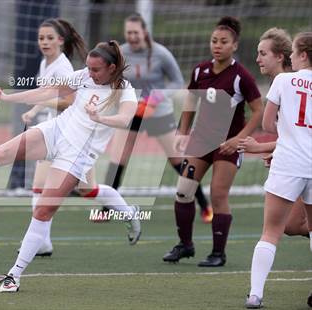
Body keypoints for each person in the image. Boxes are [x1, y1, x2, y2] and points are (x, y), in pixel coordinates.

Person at [0, 40, 141, 292]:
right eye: (88, 67)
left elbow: (125, 118)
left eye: (96, 69)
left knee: (44, 211)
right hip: (55, 131)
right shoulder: (84, 75)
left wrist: (100, 117)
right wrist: (9, 97)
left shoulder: (125, 90)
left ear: (111, 67)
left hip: (77, 156)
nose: (90, 73)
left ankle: (14, 275)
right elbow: (46, 92)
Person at [20, 18, 142, 257]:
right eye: (41, 37)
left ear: (60, 41)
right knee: (84, 190)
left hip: (73, 137)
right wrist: (34, 109)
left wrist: (38, 104)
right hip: (56, 132)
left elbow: (68, 101)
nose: (44, 42)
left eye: (49, 38)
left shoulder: (64, 67)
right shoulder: (47, 64)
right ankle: (43, 241)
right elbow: (48, 95)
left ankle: (43, 241)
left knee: (48, 187)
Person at [162, 16, 263, 267]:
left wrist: (239, 139)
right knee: (184, 191)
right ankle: (185, 245)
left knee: (218, 195)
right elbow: (190, 100)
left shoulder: (241, 77)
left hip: (227, 145)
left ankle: (218, 253)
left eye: (224, 42)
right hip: (201, 141)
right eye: (214, 41)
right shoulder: (200, 70)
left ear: (235, 46)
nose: (217, 45)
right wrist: (182, 131)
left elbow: (258, 111)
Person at [100, 13, 213, 224]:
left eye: (136, 32)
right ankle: (106, 210)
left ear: (144, 32)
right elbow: (111, 78)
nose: (132, 36)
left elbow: (177, 81)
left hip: (159, 113)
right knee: (118, 159)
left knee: (178, 160)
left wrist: (154, 98)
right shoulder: (121, 53)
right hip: (132, 112)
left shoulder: (161, 53)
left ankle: (204, 205)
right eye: (128, 33)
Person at [245, 31, 312, 309]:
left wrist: (285, 133)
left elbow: (269, 124)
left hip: (288, 163)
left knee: (271, 231)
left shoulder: (284, 80)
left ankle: (255, 295)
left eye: (294, 53)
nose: (292, 58)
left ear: (303, 55)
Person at [238, 28, 311, 241]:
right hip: (298, 159)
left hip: (303, 162)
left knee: (286, 226)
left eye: (263, 53)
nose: (257, 59)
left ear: (280, 56)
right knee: (290, 225)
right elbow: (296, 136)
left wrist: (259, 147)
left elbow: (300, 135)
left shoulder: (287, 84)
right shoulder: (282, 84)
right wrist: (279, 152)